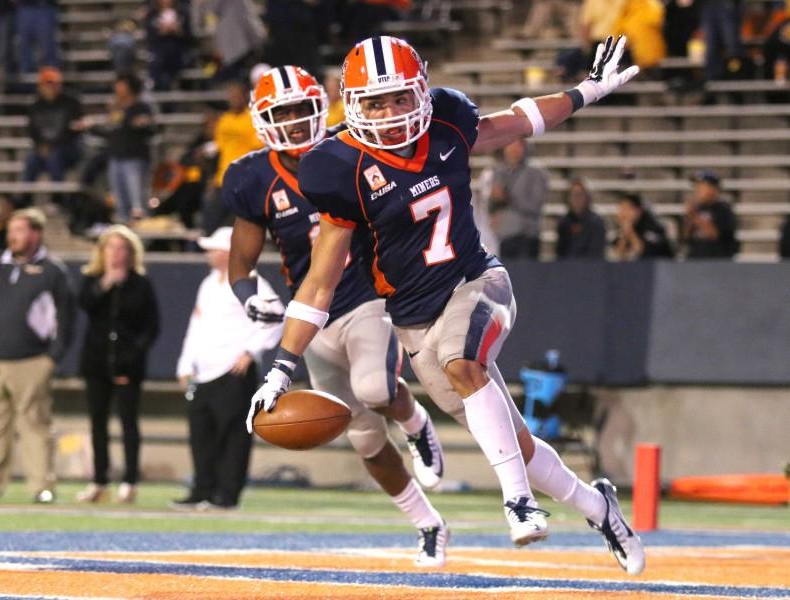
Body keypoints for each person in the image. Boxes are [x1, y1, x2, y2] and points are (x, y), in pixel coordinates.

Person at [248, 36, 646, 575]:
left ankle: (518, 502)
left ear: (421, 91)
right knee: (517, 442)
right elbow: (318, 284)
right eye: (375, 102)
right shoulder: (336, 167)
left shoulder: (449, 120)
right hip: (412, 319)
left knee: (464, 362)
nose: (389, 113)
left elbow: (516, 121)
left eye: (399, 98)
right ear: (353, 104)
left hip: (477, 281)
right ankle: (600, 509)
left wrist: (586, 91)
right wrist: (280, 369)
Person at [225, 66, 449, 566]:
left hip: (368, 295)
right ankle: (428, 523)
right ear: (261, 120)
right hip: (313, 315)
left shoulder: (354, 149)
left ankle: (415, 422)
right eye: (280, 113)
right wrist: (247, 295)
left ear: (321, 107)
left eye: (301, 109)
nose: (293, 122)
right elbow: (240, 264)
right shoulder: (251, 177)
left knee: (374, 387)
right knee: (363, 435)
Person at [0, 208, 75, 504]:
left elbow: (66, 318)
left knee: (35, 425)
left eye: (20, 231)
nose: (13, 237)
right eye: (12, 231)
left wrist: (52, 358)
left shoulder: (52, 271)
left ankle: (41, 486)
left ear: (36, 233)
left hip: (31, 360)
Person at [172, 226, 282, 510]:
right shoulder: (208, 284)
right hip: (205, 370)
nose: (209, 255)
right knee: (202, 434)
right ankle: (202, 489)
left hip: (234, 372)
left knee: (234, 435)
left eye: (215, 250)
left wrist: (251, 352)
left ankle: (227, 494)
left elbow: (276, 318)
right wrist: (185, 364)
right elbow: (195, 326)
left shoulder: (251, 282)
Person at [75, 225, 160, 504]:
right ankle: (99, 480)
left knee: (128, 423)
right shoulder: (93, 279)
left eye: (122, 248)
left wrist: (131, 356)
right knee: (97, 422)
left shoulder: (140, 284)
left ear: (131, 253)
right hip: (97, 362)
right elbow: (84, 304)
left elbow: (151, 327)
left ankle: (130, 480)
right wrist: (105, 284)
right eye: (110, 247)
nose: (116, 253)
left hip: (127, 365)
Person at [92, 73, 156, 222]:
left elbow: (151, 128)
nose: (117, 87)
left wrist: (141, 123)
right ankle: (123, 229)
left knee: (138, 202)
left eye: (122, 84)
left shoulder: (142, 107)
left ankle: (143, 236)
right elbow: (109, 130)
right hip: (116, 157)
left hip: (135, 159)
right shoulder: (115, 109)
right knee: (119, 200)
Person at [203, 78, 262, 233]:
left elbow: (258, 148)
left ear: (245, 96)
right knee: (210, 221)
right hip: (223, 177)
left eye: (237, 95)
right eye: (231, 96)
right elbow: (220, 149)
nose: (234, 99)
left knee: (244, 226)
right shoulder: (224, 120)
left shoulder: (254, 119)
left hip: (246, 180)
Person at [22, 67, 84, 205]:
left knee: (54, 156)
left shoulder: (71, 102)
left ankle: (58, 198)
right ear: (41, 86)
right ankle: (25, 199)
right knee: (31, 160)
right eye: (49, 84)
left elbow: (75, 129)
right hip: (43, 148)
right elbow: (32, 131)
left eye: (56, 84)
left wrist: (52, 146)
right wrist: (41, 146)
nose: (53, 87)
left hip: (68, 148)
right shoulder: (35, 106)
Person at [490, 138, 549, 260]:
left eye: (518, 145)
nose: (514, 149)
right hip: (504, 236)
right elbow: (493, 204)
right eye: (510, 145)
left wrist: (509, 198)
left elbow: (536, 205)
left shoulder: (536, 172)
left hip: (526, 236)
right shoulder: (499, 171)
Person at [682, 170, 738, 258]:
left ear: (714, 189)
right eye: (697, 186)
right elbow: (685, 239)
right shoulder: (696, 209)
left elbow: (716, 235)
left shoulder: (723, 210)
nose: (697, 190)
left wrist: (695, 216)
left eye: (702, 186)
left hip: (717, 263)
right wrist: (689, 219)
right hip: (694, 262)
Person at [555, 178, 607, 259]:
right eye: (573, 195)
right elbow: (560, 254)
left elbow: (596, 253)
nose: (577, 199)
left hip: (591, 268)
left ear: (587, 197)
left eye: (580, 195)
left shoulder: (596, 222)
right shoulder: (564, 223)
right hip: (568, 269)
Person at [612, 193, 674, 259]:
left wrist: (630, 232)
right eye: (621, 208)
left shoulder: (653, 226)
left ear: (638, 211)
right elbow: (617, 256)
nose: (623, 213)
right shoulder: (619, 229)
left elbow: (643, 252)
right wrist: (624, 235)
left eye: (626, 208)